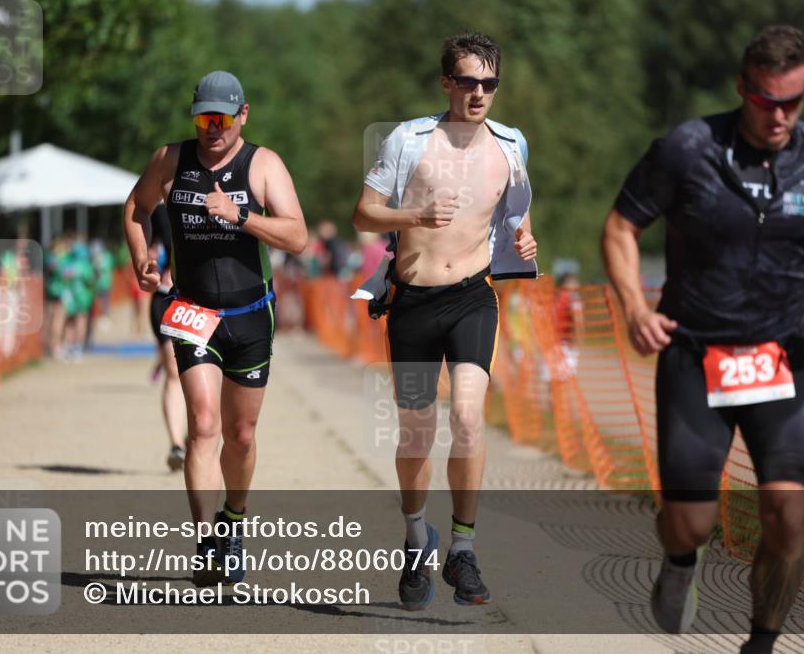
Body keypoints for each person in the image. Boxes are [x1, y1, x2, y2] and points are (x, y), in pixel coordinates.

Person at [600, 25, 804, 652]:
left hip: (780, 356)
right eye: (765, 101)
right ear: (742, 88)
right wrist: (633, 308)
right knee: (691, 522)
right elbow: (620, 229)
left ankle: (761, 642)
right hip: (694, 353)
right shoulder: (686, 148)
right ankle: (679, 559)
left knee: (788, 515)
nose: (780, 116)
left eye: (793, 101)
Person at [352, 32, 537, 610]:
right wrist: (415, 214)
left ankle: (462, 548)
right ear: (446, 83)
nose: (478, 93)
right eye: (466, 81)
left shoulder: (510, 146)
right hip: (412, 304)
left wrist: (526, 240)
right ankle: (415, 539)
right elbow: (362, 213)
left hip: (472, 299)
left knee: (467, 414)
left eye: (489, 83)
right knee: (415, 432)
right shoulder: (409, 140)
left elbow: (515, 215)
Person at [123, 71, 307, 586]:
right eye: (203, 118)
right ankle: (206, 542)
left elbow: (297, 236)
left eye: (221, 120)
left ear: (242, 115)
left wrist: (240, 215)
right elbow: (137, 208)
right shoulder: (171, 160)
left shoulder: (263, 164)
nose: (211, 129)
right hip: (192, 312)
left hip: (250, 314)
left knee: (241, 435)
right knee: (203, 426)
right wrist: (142, 259)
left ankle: (234, 519)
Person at [148, 203, 187, 471]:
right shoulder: (158, 210)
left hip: (204, 303)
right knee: (174, 371)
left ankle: (197, 434)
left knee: (205, 375)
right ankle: (176, 444)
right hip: (166, 298)